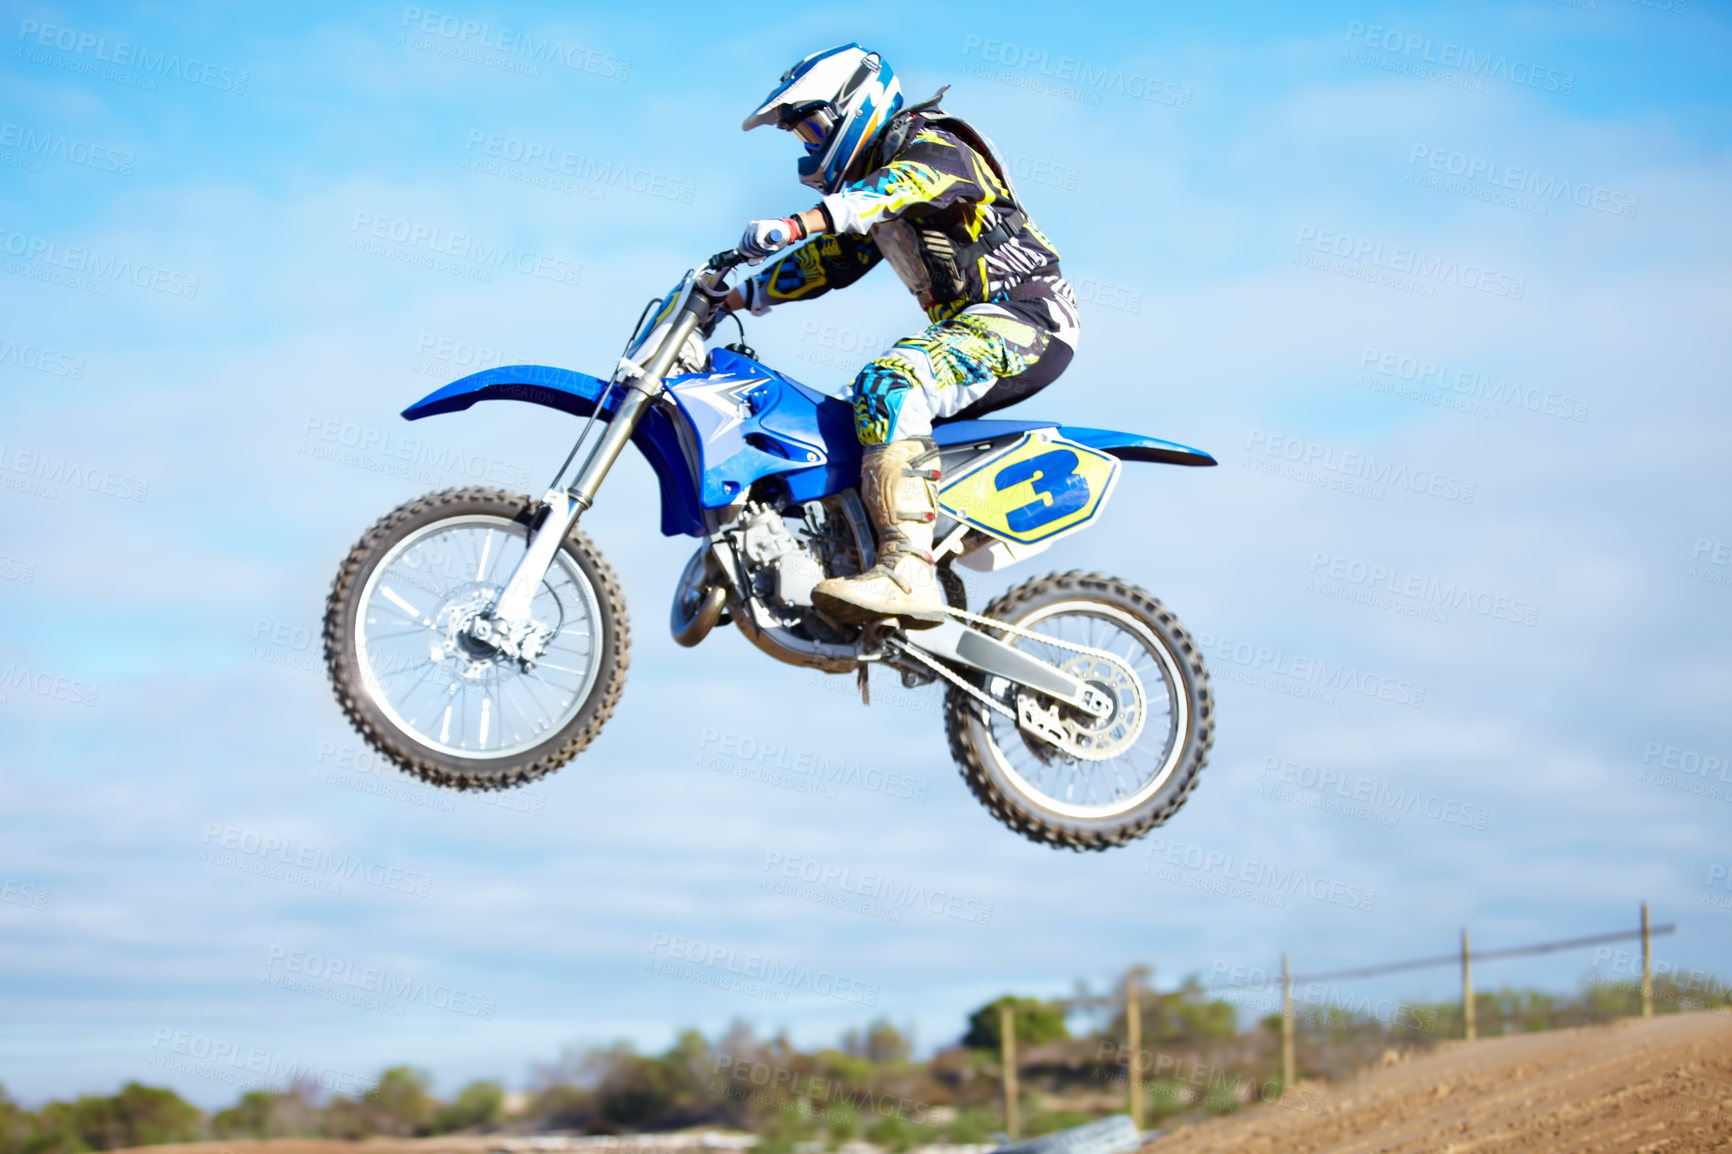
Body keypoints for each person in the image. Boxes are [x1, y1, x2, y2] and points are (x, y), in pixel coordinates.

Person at [726, 43, 1080, 629]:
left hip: (1027, 318)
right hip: (976, 328)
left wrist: (797, 221)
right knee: (843, 417)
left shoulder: (931, 141)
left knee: (890, 383)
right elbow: (832, 258)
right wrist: (738, 296)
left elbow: (905, 183)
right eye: (800, 135)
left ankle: (908, 568)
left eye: (813, 125)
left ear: (853, 104)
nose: (810, 145)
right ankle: (862, 553)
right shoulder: (871, 191)